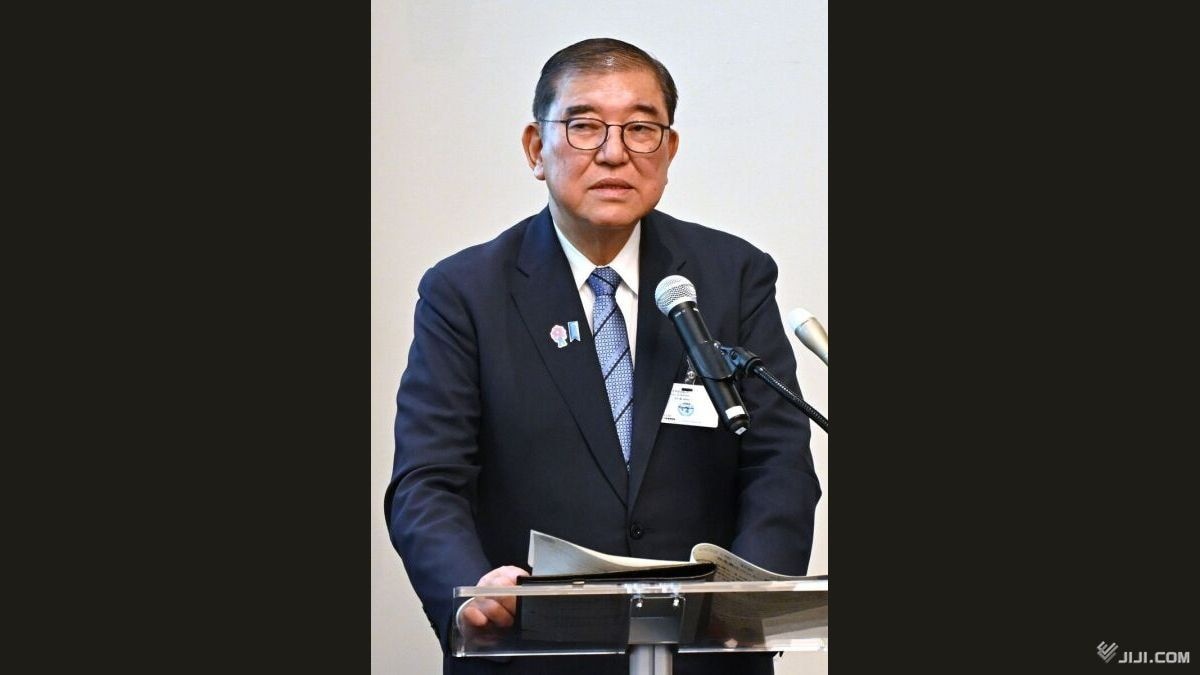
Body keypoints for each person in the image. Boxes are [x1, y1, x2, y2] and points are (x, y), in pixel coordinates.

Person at [384, 37, 821, 675]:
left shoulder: (732, 276)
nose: (615, 153)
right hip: (531, 653)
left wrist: (744, 608)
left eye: (641, 129)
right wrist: (473, 589)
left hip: (706, 656)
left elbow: (778, 464)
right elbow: (428, 480)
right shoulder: (465, 292)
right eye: (584, 126)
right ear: (536, 149)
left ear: (669, 150)